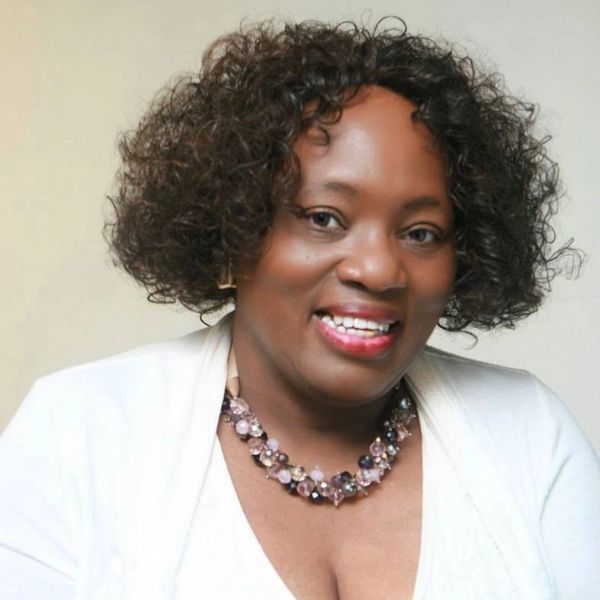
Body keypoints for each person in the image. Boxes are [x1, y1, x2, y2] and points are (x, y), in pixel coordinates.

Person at [1, 18, 599, 600]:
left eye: (420, 232)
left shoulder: (528, 433)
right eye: (324, 218)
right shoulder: (76, 436)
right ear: (234, 230)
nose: (378, 269)